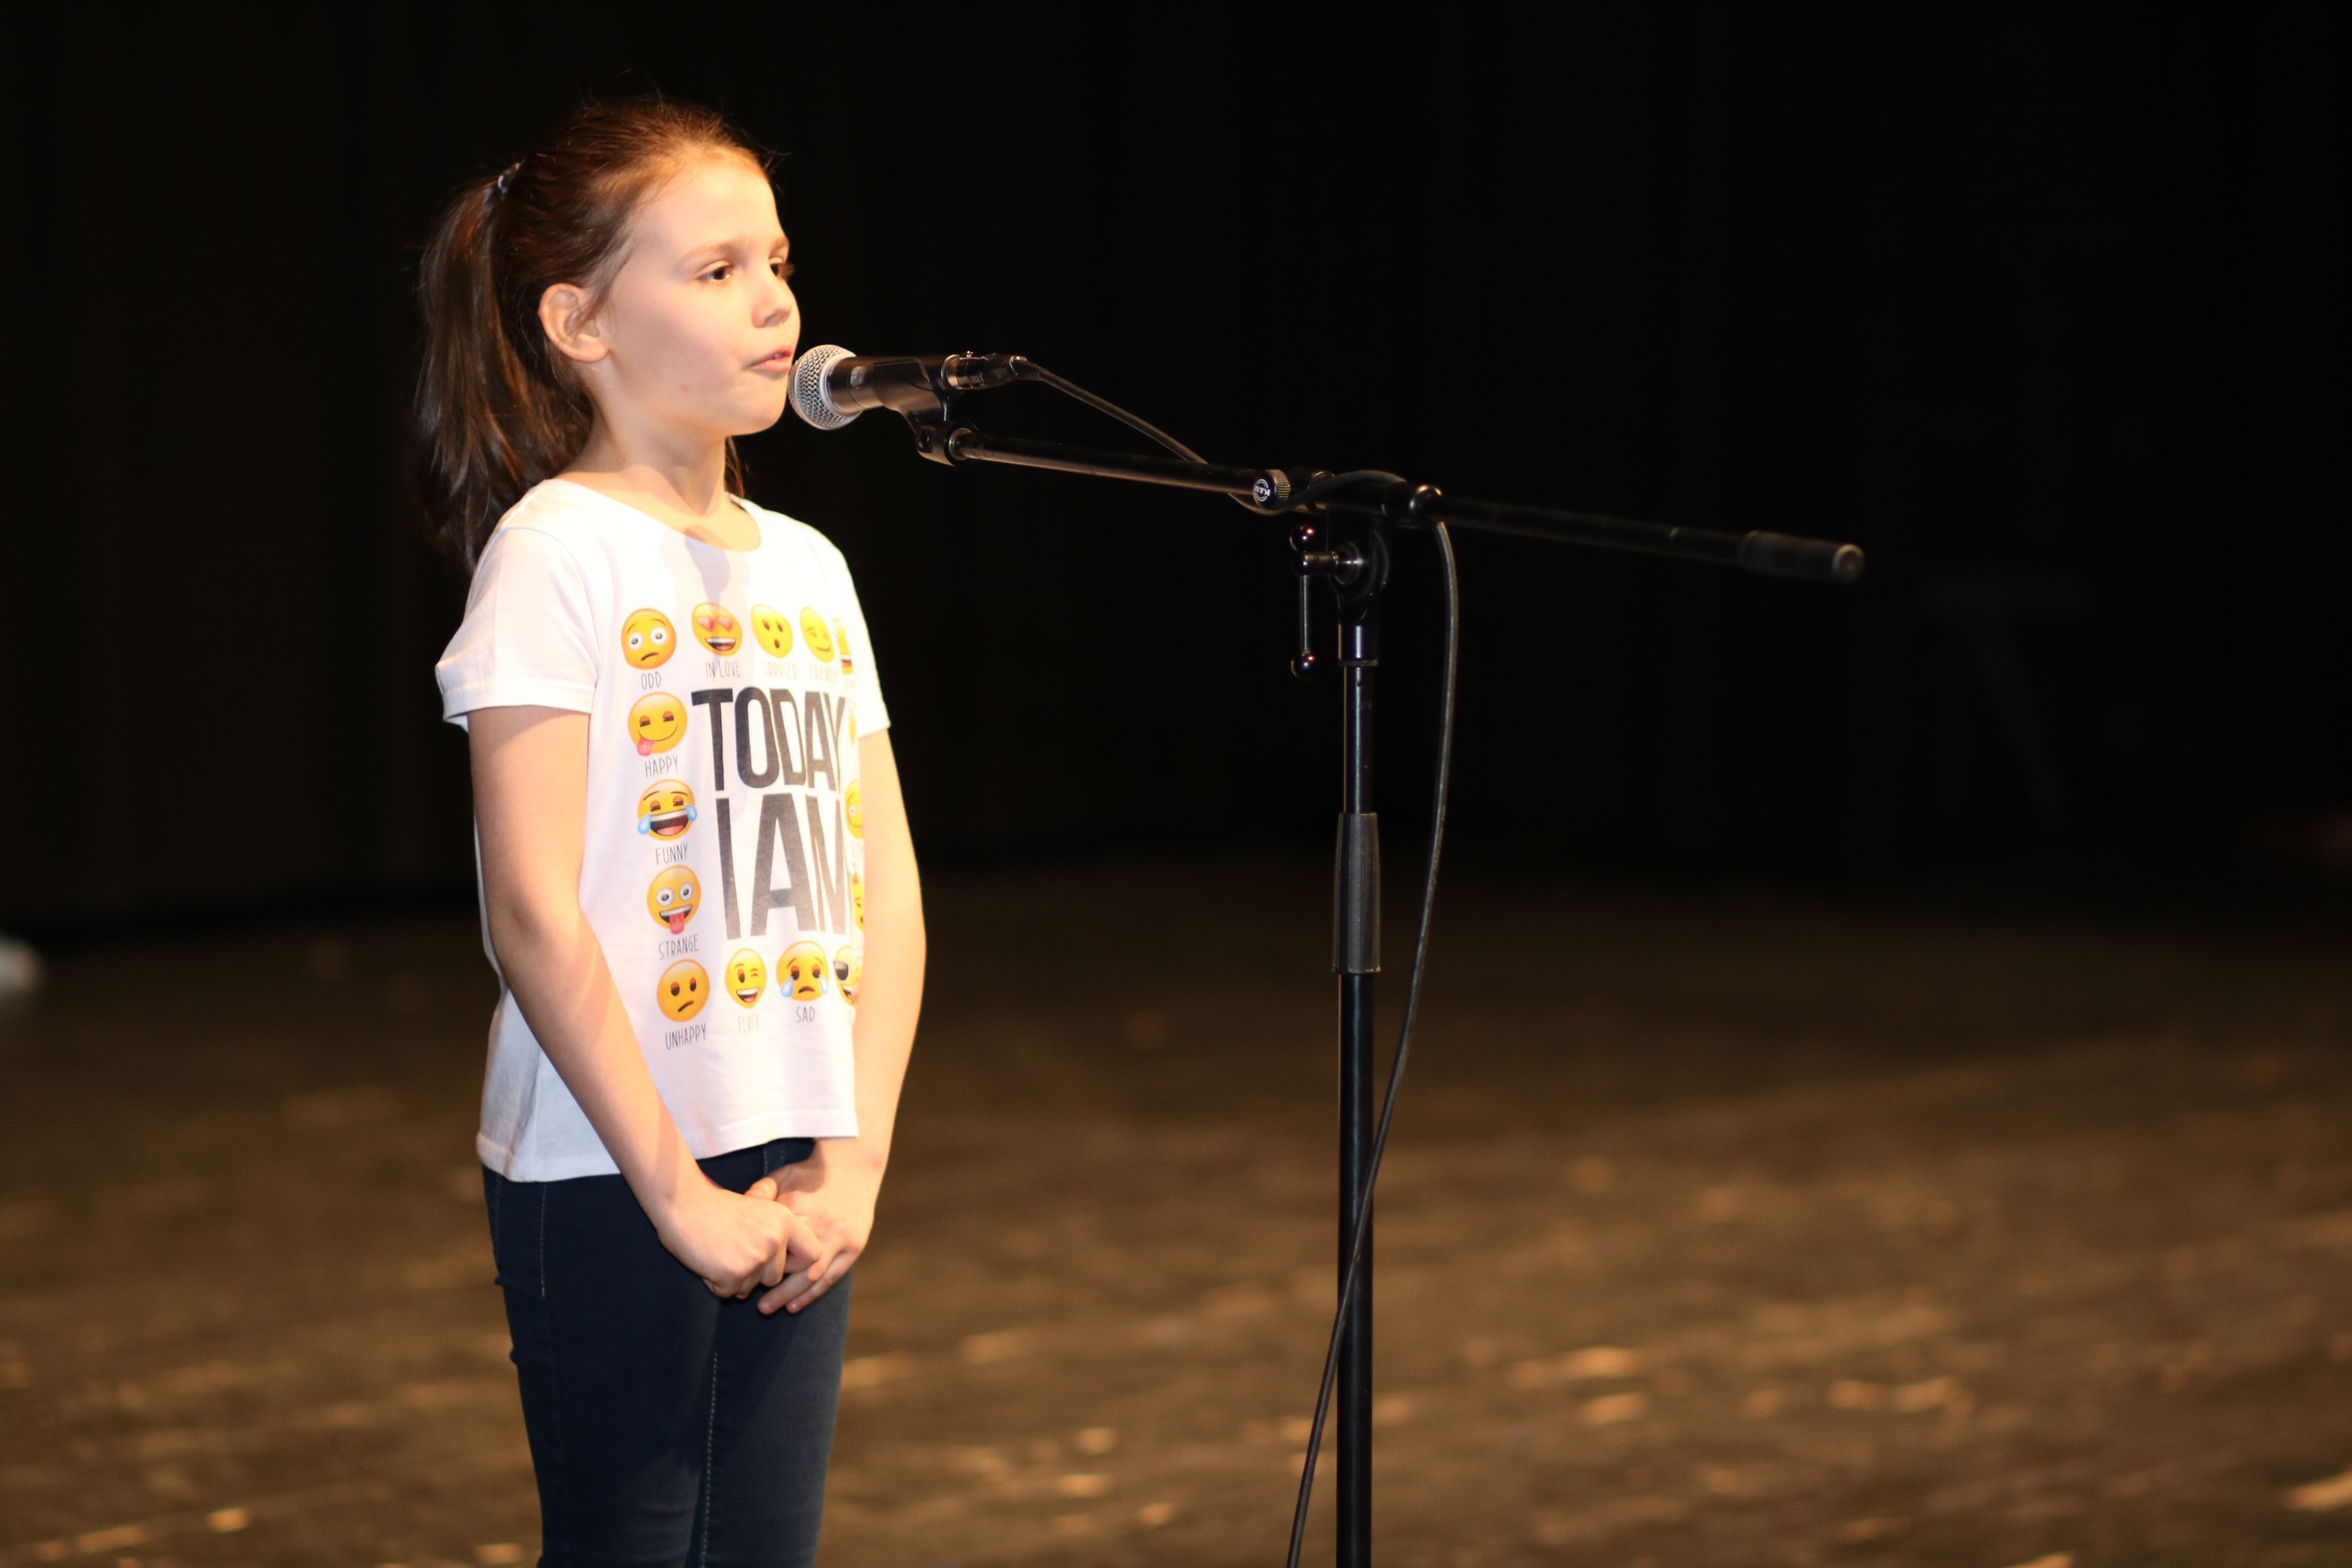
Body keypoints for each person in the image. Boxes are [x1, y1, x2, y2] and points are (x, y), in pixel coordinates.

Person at [416, 100, 924, 1568]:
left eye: (778, 262)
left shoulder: (812, 568)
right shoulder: (557, 552)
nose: (775, 302)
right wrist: (673, 1194)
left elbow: (885, 889)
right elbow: (532, 909)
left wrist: (854, 1159)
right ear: (580, 322)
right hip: (611, 1158)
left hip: (798, 1139)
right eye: (715, 270)